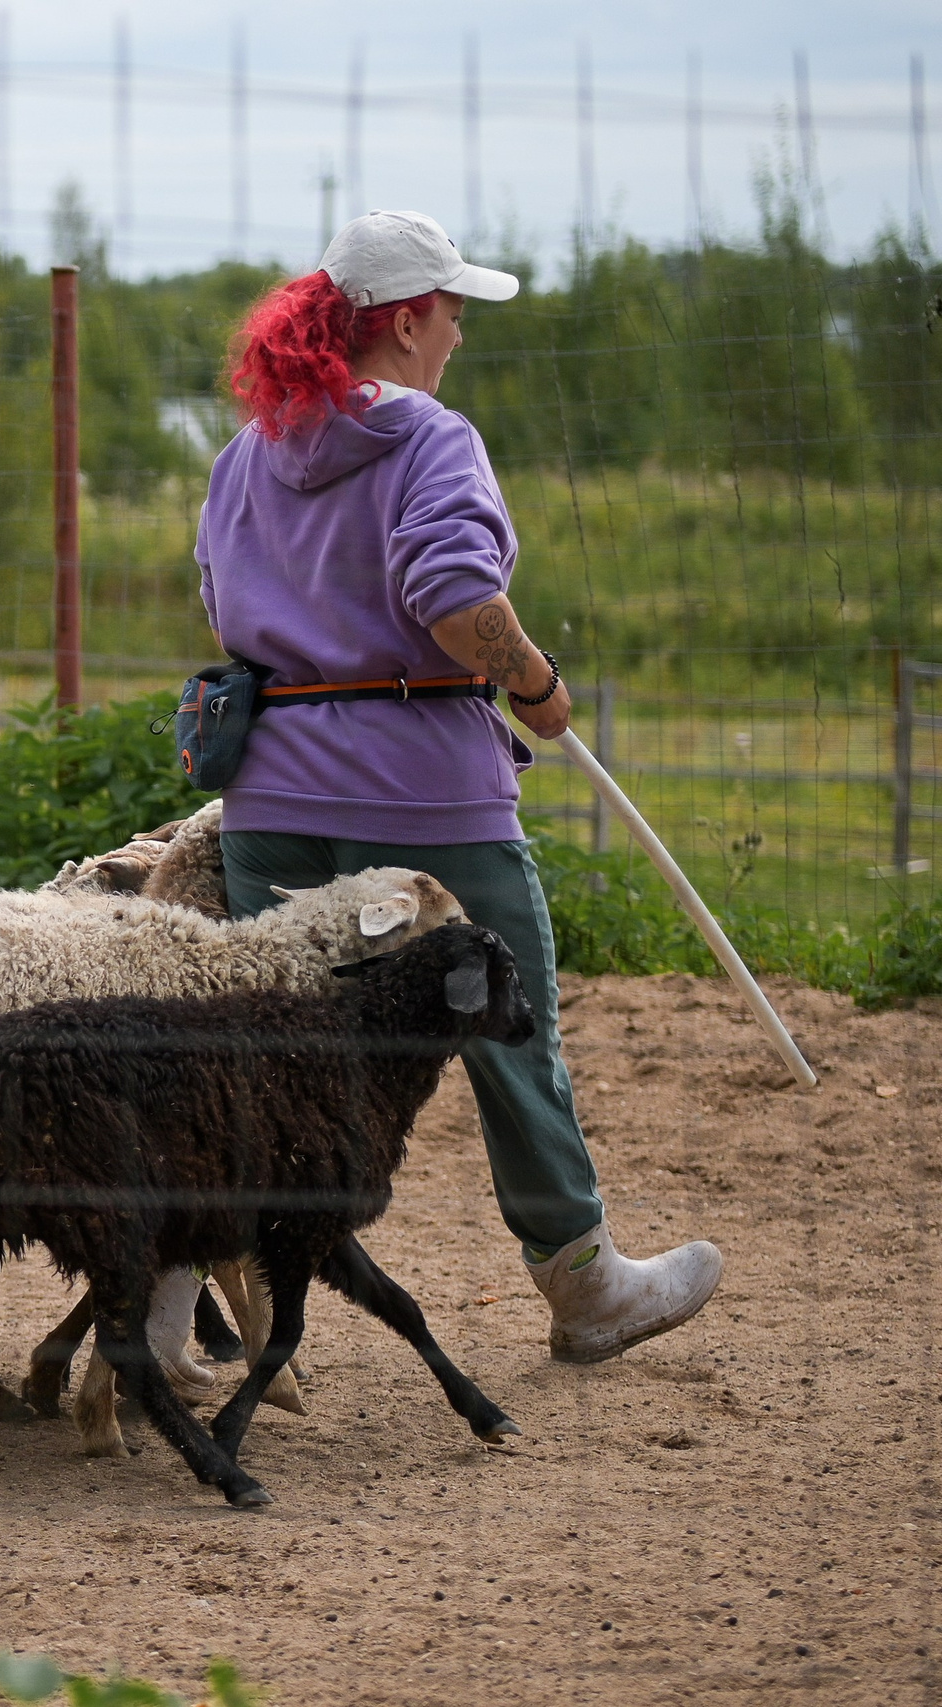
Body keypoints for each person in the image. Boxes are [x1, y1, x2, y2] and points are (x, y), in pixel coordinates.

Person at [193, 209, 720, 1362]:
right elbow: (452, 598)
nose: (460, 333)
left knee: (268, 1044)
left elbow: (223, 609)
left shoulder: (243, 456)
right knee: (505, 1033)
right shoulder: (433, 438)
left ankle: (191, 1279)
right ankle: (585, 1289)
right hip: (426, 803)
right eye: (452, 310)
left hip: (272, 801)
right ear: (403, 319)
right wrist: (531, 681)